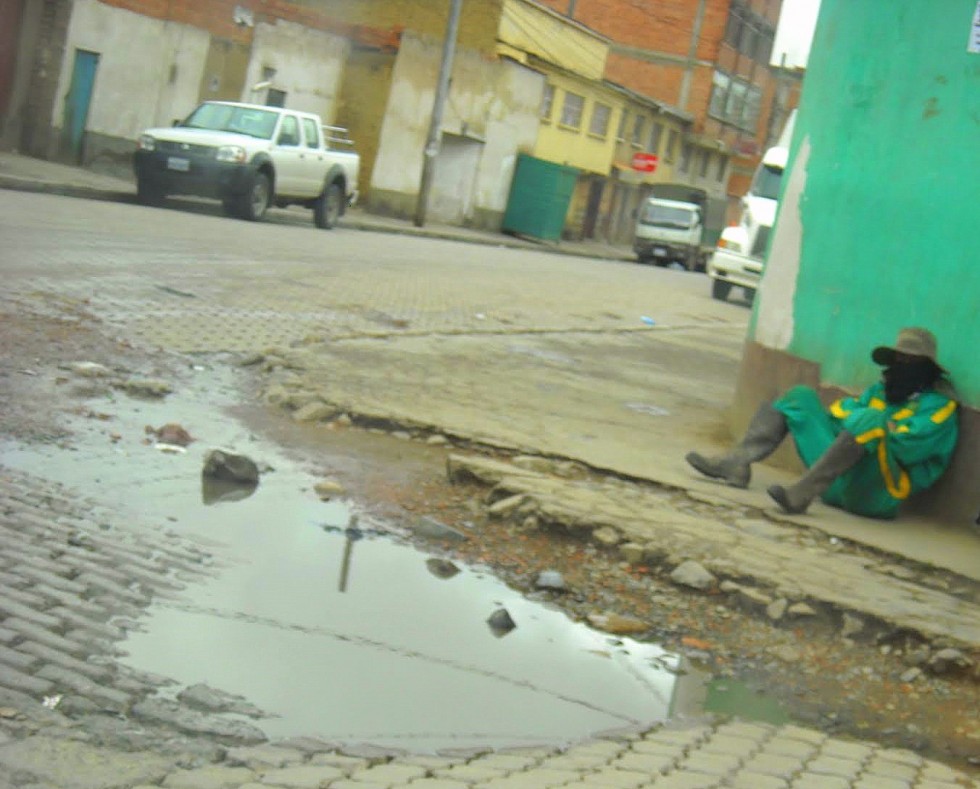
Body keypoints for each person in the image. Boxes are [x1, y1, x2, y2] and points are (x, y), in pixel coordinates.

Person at [685, 327, 959, 519]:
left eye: (911, 361)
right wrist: (870, 428)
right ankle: (736, 463)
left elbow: (907, 448)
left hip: (875, 494)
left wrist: (871, 427)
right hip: (834, 484)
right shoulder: (879, 391)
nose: (902, 365)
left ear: (927, 369)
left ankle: (801, 494)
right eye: (899, 359)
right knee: (800, 396)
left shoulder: (939, 406)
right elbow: (839, 414)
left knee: (869, 419)